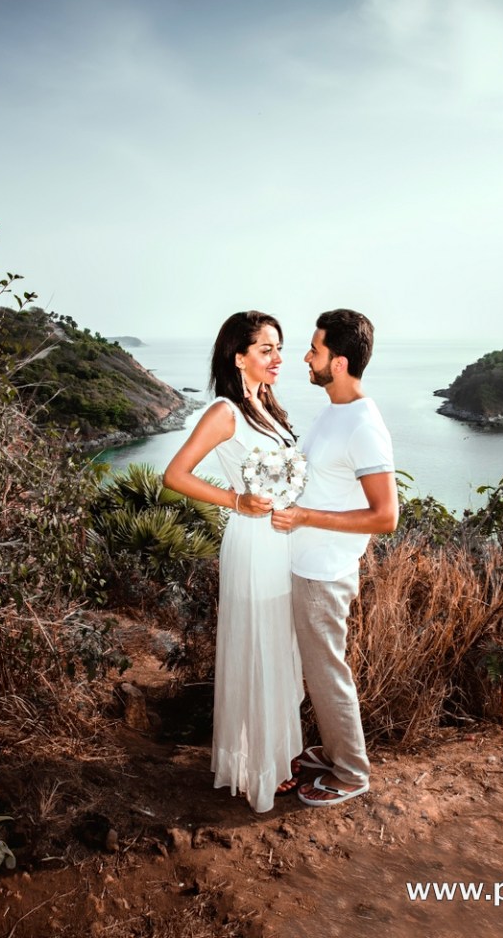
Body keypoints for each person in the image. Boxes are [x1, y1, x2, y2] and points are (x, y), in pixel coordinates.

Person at [163, 311, 303, 813]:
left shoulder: (268, 407)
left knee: (277, 648)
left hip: (281, 542)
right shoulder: (225, 411)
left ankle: (275, 757)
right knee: (258, 648)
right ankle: (257, 768)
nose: (278, 358)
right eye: (266, 349)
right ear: (239, 357)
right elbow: (175, 474)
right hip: (253, 544)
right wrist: (235, 501)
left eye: (279, 348)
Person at [270, 309, 398, 807]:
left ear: (338, 363)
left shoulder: (364, 424)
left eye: (315, 349)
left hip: (325, 572)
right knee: (317, 669)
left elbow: (385, 516)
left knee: (327, 672)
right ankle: (335, 749)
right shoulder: (333, 411)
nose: (305, 357)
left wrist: (304, 516)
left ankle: (352, 772)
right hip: (305, 564)